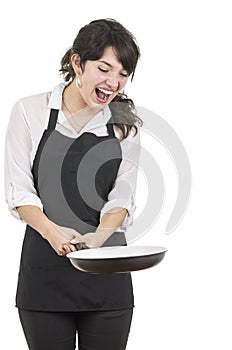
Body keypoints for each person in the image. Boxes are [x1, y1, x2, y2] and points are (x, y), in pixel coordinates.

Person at [4, 18, 142, 350]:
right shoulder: (30, 111)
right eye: (105, 69)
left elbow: (123, 193)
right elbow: (18, 188)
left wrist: (99, 236)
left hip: (107, 271)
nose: (113, 83)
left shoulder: (124, 124)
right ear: (78, 63)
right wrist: (53, 233)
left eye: (123, 74)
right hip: (44, 274)